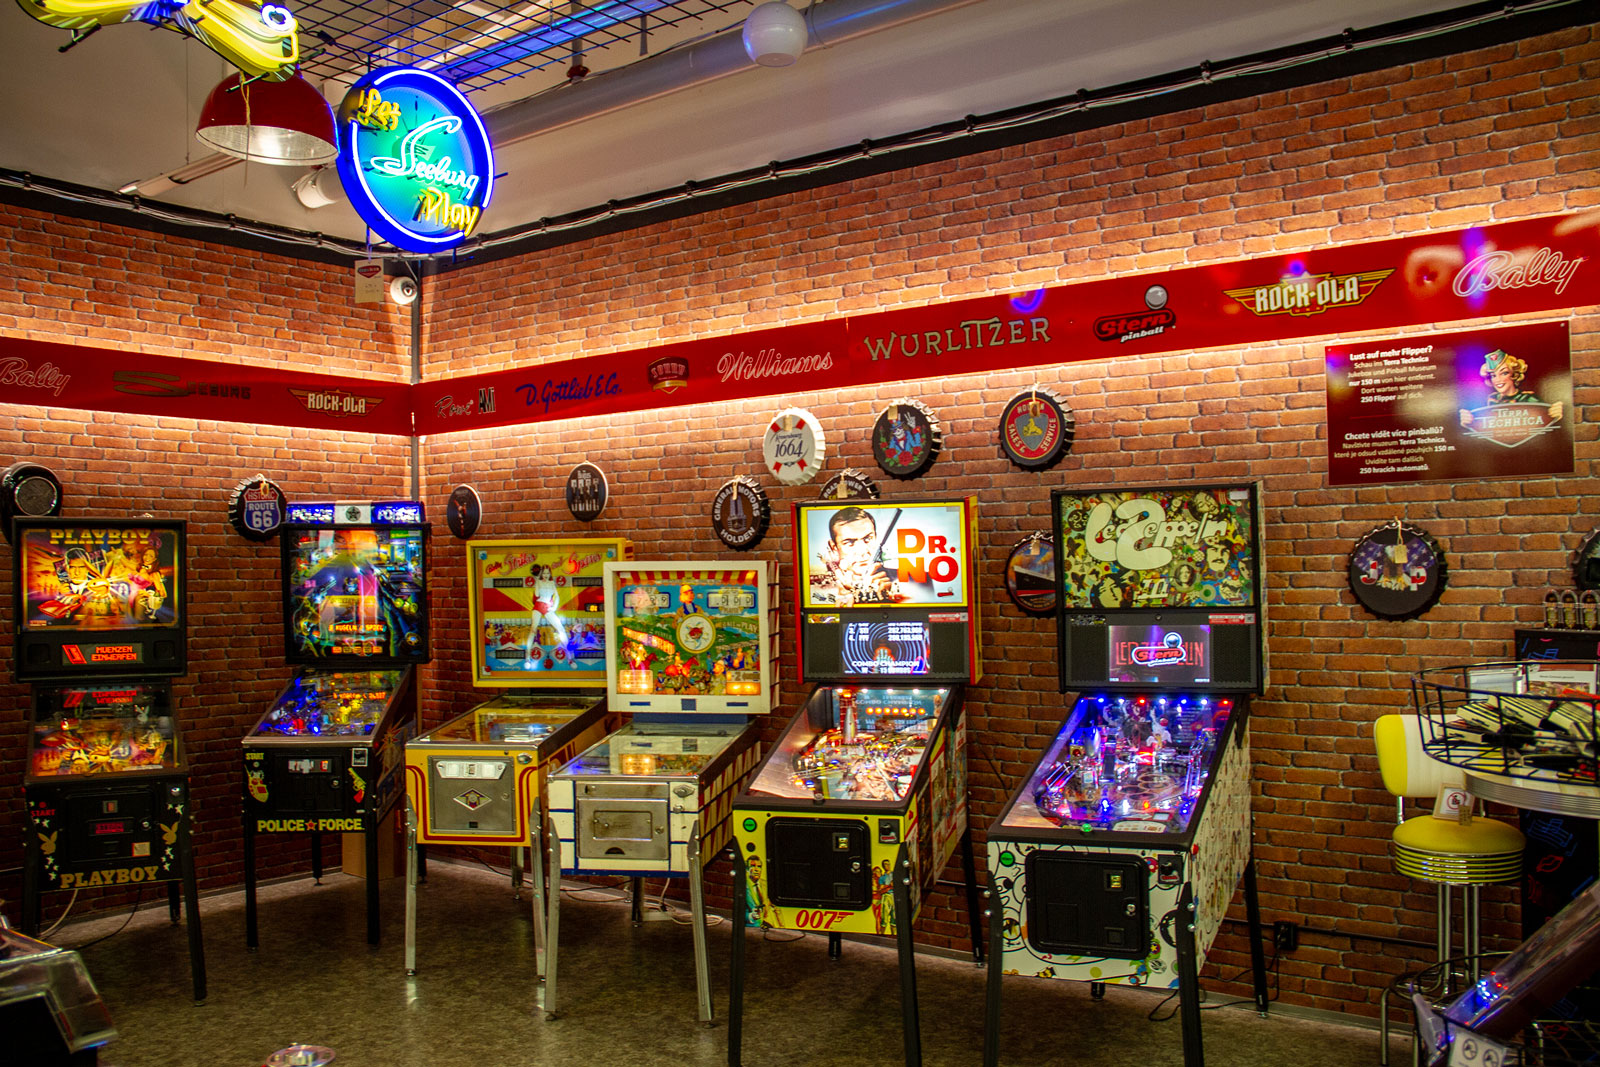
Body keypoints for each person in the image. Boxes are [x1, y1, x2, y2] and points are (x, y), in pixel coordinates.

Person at [812, 506, 899, 606]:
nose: (862, 551)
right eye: (849, 543)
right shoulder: (821, 588)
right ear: (834, 547)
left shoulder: (902, 580)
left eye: (868, 539)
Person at [1460, 349, 1563, 427]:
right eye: (1493, 375)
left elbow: (1543, 424)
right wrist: (1468, 422)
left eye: (1504, 373)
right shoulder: (1490, 400)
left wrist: (1554, 415)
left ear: (1514, 374)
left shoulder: (1528, 399)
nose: (1498, 380)